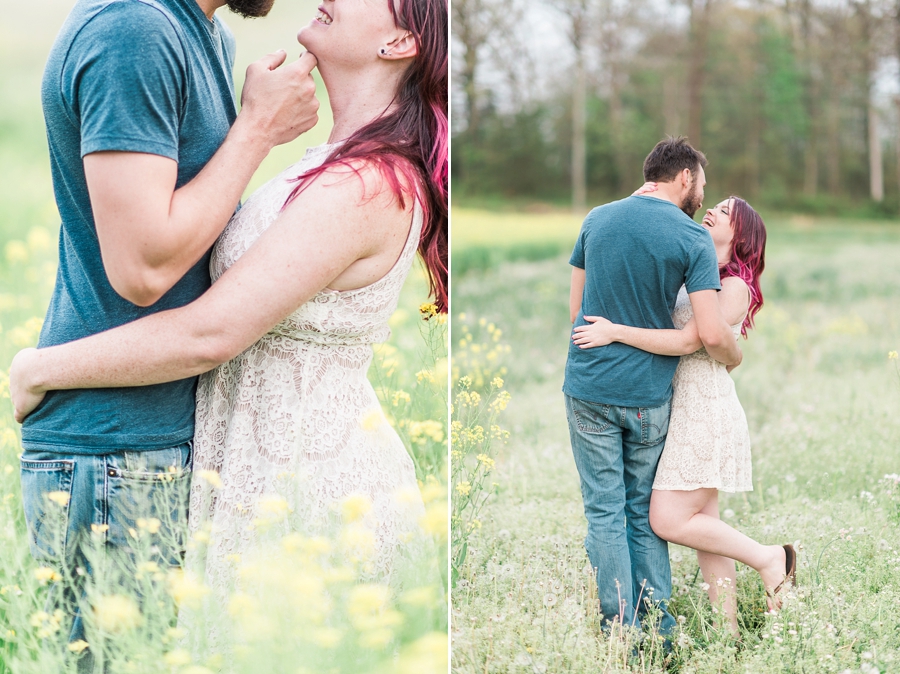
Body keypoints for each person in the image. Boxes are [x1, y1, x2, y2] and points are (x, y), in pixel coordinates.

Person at [12, 0, 447, 655]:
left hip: (311, 491)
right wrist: (258, 128)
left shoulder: (365, 181)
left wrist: (40, 368)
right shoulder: (328, 157)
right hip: (228, 473)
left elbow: (212, 332)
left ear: (399, 42)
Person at [17, 0, 318, 663]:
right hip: (116, 453)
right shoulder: (134, 30)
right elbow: (143, 266)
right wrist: (258, 129)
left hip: (158, 442)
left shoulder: (201, 30)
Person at [573, 193, 795, 635]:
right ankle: (725, 634)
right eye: (716, 204)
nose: (713, 209)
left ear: (742, 234)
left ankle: (771, 558)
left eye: (726, 211)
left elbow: (691, 341)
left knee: (668, 519)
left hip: (705, 409)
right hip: (681, 404)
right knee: (705, 528)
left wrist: (615, 331)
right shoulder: (699, 271)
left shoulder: (734, 286)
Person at [563, 136, 743, 637]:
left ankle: (622, 628)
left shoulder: (596, 219)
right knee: (641, 512)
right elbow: (707, 334)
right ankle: (659, 629)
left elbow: (576, 310)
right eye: (701, 187)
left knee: (604, 509)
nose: (702, 199)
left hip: (589, 384)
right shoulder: (690, 240)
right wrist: (735, 357)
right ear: (684, 177)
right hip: (648, 395)